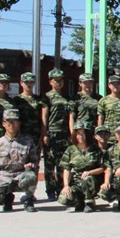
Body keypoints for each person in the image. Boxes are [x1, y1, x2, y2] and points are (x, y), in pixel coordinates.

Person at [0, 108, 39, 212]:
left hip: (21, 177)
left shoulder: (28, 141)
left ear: (19, 123)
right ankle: (7, 198)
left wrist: (31, 166)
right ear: (3, 124)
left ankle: (28, 200)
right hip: (4, 179)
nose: (12, 124)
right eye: (9, 121)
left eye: (15, 121)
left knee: (31, 176)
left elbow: (35, 161)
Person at [59, 123, 106, 212]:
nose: (80, 136)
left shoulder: (95, 149)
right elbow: (66, 169)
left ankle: (89, 202)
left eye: (83, 133)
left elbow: (103, 168)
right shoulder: (70, 149)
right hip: (77, 182)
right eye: (78, 133)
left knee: (87, 178)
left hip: (93, 181)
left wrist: (90, 172)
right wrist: (66, 185)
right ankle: (80, 201)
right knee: (64, 198)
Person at [40, 69, 72, 201]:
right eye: (56, 80)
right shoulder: (47, 97)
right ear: (50, 81)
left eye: (61, 80)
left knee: (62, 164)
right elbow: (44, 116)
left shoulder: (66, 97)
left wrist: (71, 134)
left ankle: (60, 188)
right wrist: (44, 133)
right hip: (52, 133)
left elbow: (70, 117)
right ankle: (50, 190)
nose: (59, 83)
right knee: (49, 164)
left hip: (63, 134)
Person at [14, 72, 43, 147]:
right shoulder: (16, 100)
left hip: (36, 135)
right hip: (21, 134)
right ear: (21, 83)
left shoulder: (39, 99)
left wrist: (43, 134)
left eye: (31, 82)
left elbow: (43, 118)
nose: (29, 84)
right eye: (26, 82)